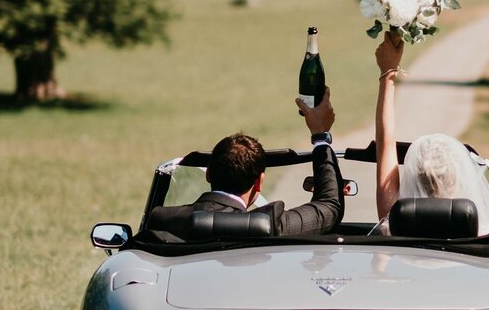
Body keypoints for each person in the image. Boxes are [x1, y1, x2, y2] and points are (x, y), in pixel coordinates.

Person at [147, 87, 344, 237]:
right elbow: (328, 207)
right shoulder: (271, 223)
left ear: (208, 173)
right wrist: (320, 136)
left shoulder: (162, 220)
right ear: (259, 182)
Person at [374, 36, 489, 235]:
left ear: (414, 176)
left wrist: (388, 72)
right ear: (460, 177)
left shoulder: (394, 223)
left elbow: (385, 142)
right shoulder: (488, 235)